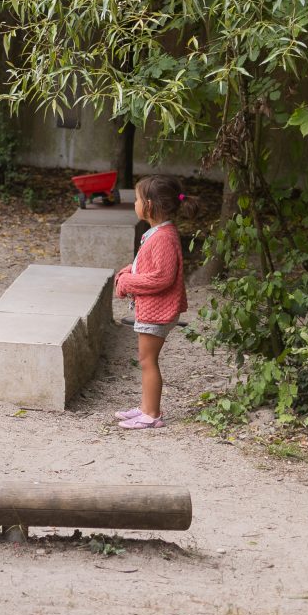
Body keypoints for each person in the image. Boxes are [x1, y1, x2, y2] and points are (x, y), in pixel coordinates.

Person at [113, 175, 186, 430]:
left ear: (150, 205)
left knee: (147, 360)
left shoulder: (164, 237)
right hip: (153, 309)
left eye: (136, 199)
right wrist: (126, 273)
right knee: (145, 359)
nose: (134, 203)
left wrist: (128, 283)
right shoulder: (157, 233)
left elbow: (162, 277)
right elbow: (142, 265)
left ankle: (152, 414)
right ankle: (146, 407)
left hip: (159, 311)